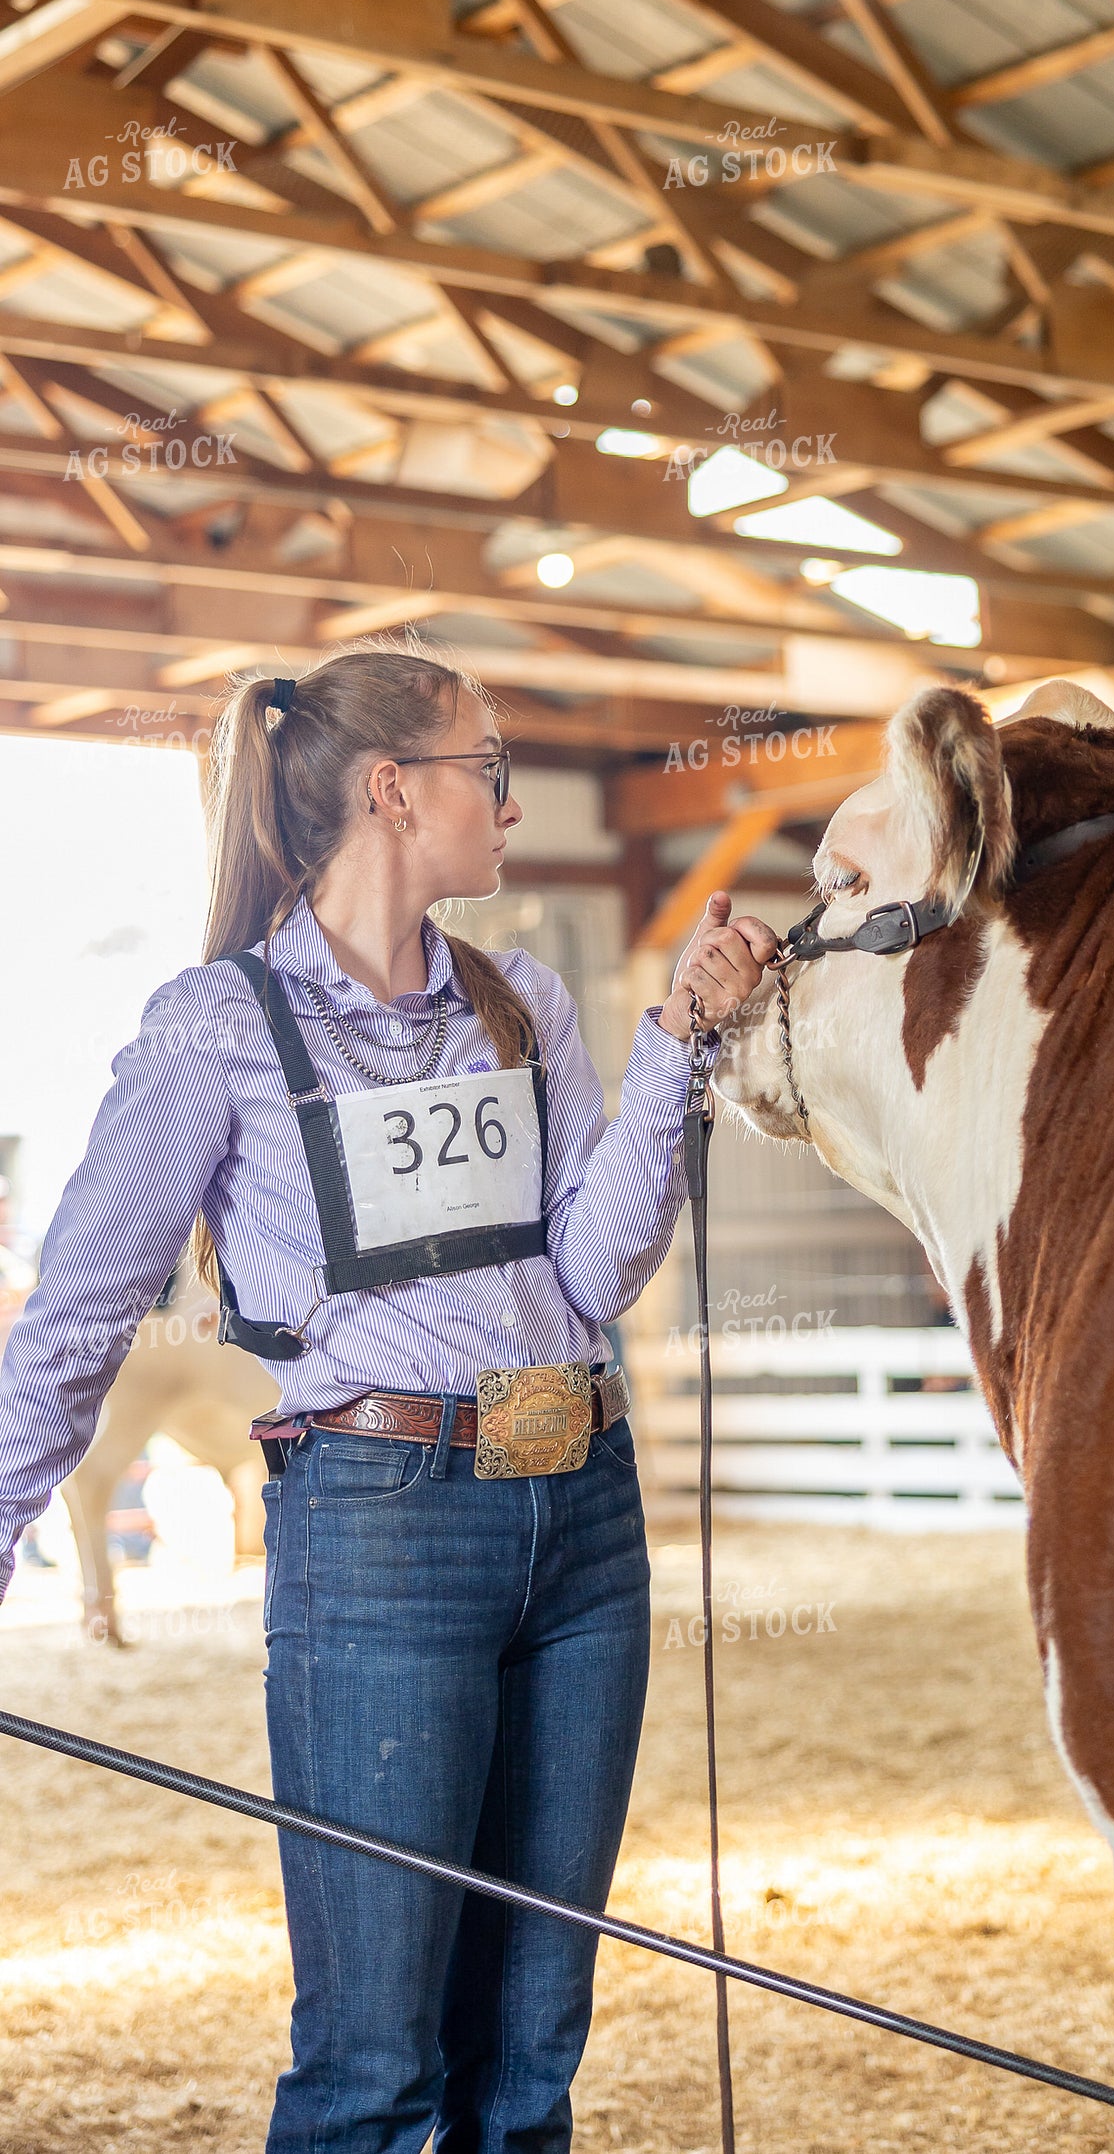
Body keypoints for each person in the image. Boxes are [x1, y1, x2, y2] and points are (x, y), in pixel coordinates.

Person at [0, 641, 779, 2152]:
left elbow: (596, 1265)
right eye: (489, 766)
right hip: (379, 1536)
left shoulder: (522, 999)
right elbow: (82, 1308)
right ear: (392, 790)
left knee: (529, 2057)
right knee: (373, 2064)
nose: (511, 797)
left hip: (586, 1521)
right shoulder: (215, 1028)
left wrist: (675, 1042)